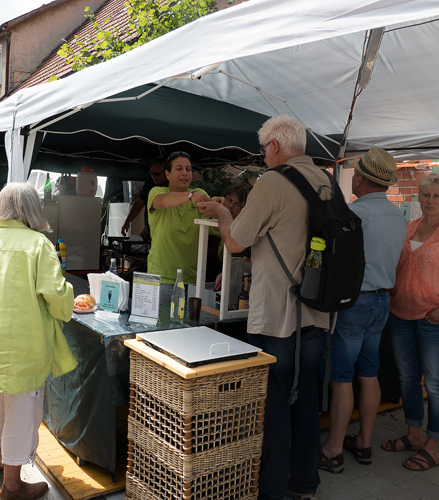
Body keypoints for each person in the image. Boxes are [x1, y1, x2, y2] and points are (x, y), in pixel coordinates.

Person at [198, 115, 332, 500]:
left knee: (272, 404)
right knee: (306, 398)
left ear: (274, 145)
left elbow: (236, 243)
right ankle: (305, 483)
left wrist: (225, 214)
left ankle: (271, 490)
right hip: (317, 312)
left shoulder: (272, 182)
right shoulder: (325, 182)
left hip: (277, 315)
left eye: (263, 149)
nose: (263, 155)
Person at [0, 183, 76, 500]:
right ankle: (12, 485)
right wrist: (67, 303)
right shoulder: (38, 245)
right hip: (23, 346)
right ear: (32, 210)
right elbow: (56, 295)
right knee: (21, 412)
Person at [317, 147, 407, 474]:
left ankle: (334, 449)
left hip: (355, 302)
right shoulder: (398, 216)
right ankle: (365, 443)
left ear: (361, 178)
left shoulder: (355, 214)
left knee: (342, 376)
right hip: (382, 300)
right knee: (369, 373)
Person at [382, 172, 439, 472]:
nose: (430, 200)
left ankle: (433, 446)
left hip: (434, 320)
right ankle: (413, 435)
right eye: (426, 195)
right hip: (400, 315)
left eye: (437, 195)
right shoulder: (409, 227)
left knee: (436, 385)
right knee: (408, 379)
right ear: (418, 197)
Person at [147, 151, 211, 285]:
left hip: (192, 280)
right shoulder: (157, 192)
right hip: (160, 278)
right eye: (179, 169)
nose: (185, 173)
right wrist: (190, 196)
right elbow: (162, 201)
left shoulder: (200, 194)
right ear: (167, 174)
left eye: (188, 169)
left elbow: (213, 221)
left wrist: (218, 204)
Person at [120, 158, 167, 240]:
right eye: (151, 173)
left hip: (166, 230)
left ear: (167, 172)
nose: (153, 177)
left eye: (157, 174)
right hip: (148, 229)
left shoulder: (173, 186)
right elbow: (138, 204)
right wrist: (127, 221)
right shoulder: (149, 183)